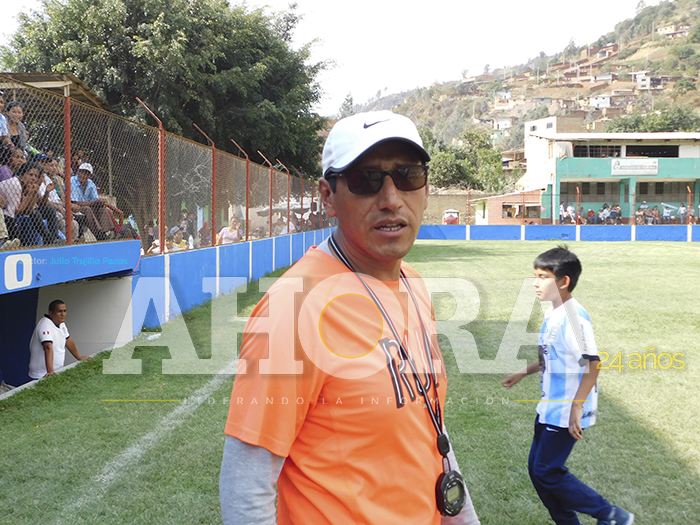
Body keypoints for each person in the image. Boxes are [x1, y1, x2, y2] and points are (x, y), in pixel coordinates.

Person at [219, 111, 480, 525]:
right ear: (327, 196)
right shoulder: (296, 307)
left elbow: (429, 427)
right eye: (365, 180)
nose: (391, 198)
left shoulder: (412, 284)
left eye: (408, 176)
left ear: (426, 189)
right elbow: (246, 486)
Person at [503, 247, 633, 525]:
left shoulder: (574, 319)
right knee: (538, 471)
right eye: (535, 276)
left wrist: (577, 406)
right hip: (550, 406)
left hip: (566, 409)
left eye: (543, 277)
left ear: (564, 281)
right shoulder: (555, 313)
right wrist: (523, 372)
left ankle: (611, 515)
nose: (535, 283)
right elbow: (551, 355)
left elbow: (593, 364)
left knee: (546, 471)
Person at [28, 300, 91, 379]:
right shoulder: (45, 325)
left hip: (56, 372)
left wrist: (79, 357)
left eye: (64, 311)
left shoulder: (61, 324)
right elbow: (47, 347)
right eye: (59, 311)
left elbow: (68, 340)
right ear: (51, 313)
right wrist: (50, 371)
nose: (63, 314)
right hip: (41, 375)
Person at [70, 162, 118, 241]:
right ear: (77, 172)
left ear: (90, 176)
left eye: (86, 173)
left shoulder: (90, 183)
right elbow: (75, 203)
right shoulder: (72, 181)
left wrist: (101, 202)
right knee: (87, 210)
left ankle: (108, 232)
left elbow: (95, 200)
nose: (82, 175)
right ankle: (100, 236)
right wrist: (95, 202)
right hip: (74, 208)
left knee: (102, 209)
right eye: (81, 172)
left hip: (86, 207)